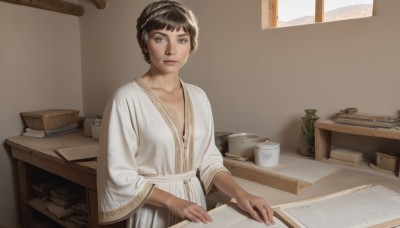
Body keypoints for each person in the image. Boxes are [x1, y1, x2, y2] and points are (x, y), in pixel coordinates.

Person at [96, 1, 275, 227]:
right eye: (160, 38)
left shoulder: (198, 96)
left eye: (181, 40)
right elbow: (119, 174)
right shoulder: (126, 99)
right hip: (154, 210)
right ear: (144, 43)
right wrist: (172, 201)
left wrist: (241, 194)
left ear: (190, 45)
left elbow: (209, 161)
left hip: (196, 207)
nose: (172, 50)